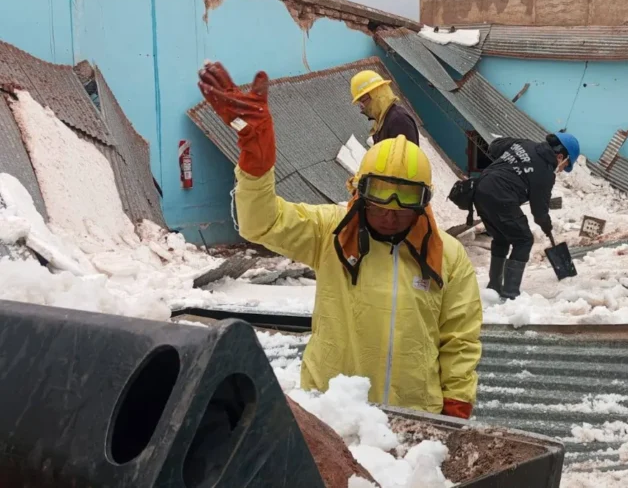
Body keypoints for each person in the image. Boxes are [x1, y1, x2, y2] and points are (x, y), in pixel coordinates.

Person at [198, 62, 482, 419]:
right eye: (381, 197)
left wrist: (454, 411)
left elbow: (460, 339)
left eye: (405, 199)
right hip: (332, 412)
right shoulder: (329, 233)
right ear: (358, 192)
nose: (391, 211)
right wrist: (256, 163)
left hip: (413, 419)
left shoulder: (448, 257)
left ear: (424, 202)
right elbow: (260, 223)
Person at [472, 133, 580, 300]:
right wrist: (547, 226)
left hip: (479, 191)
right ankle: (510, 294)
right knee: (523, 240)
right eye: (564, 165)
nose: (560, 169)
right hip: (501, 196)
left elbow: (494, 146)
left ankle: (493, 287)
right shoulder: (545, 173)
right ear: (560, 156)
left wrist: (512, 163)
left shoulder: (523, 143)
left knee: (501, 238)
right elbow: (539, 212)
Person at [350, 70, 419, 146]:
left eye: (363, 100)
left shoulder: (398, 120)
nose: (361, 106)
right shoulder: (383, 121)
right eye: (359, 102)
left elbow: (405, 156)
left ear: (377, 95)